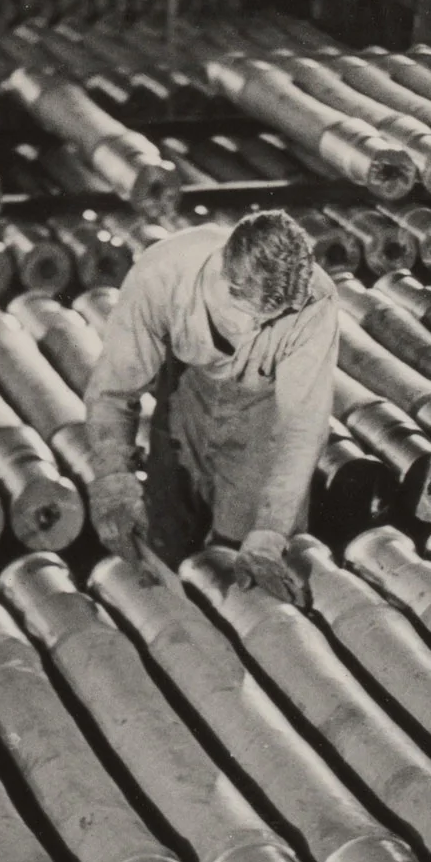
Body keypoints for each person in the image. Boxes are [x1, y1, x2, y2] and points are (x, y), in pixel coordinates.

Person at [83, 211, 337, 604]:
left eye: (270, 321)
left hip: (261, 412)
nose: (255, 332)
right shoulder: (161, 274)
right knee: (163, 537)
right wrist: (113, 477)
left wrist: (269, 532)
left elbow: (303, 428)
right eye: (246, 317)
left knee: (244, 575)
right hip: (185, 392)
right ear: (221, 274)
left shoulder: (313, 302)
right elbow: (115, 389)